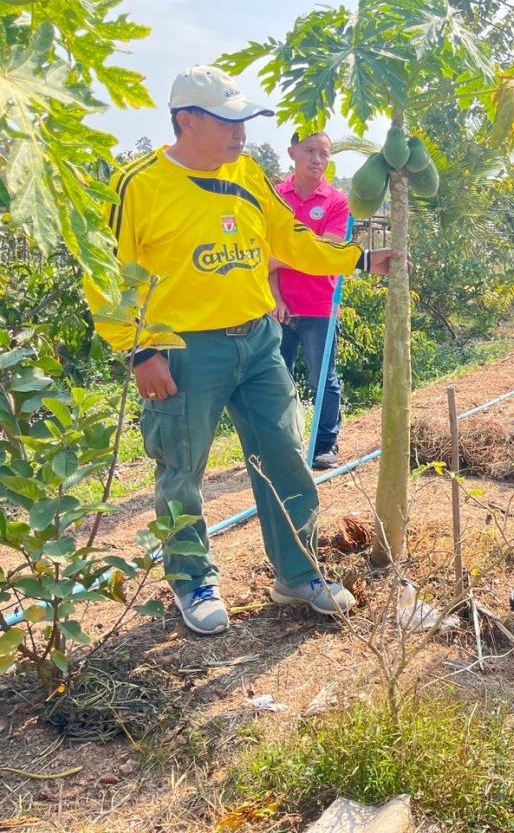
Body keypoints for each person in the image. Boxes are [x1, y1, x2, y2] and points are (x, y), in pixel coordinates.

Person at [84, 65, 397, 636]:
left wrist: (355, 258)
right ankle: (193, 579)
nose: (240, 133)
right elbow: (106, 276)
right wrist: (138, 350)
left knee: (284, 453)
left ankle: (298, 574)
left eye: (244, 121)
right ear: (187, 120)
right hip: (182, 350)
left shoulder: (247, 174)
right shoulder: (141, 184)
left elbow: (289, 237)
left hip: (257, 341)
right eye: (228, 122)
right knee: (182, 469)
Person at [268, 131, 349, 471]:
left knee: (322, 379)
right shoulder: (275, 197)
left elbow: (326, 252)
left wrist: (278, 257)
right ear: (292, 153)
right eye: (310, 151)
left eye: (325, 154)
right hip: (280, 307)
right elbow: (263, 255)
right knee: (276, 378)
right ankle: (283, 444)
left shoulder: (336, 201)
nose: (318, 159)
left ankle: (325, 444)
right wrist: (275, 298)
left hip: (320, 306)